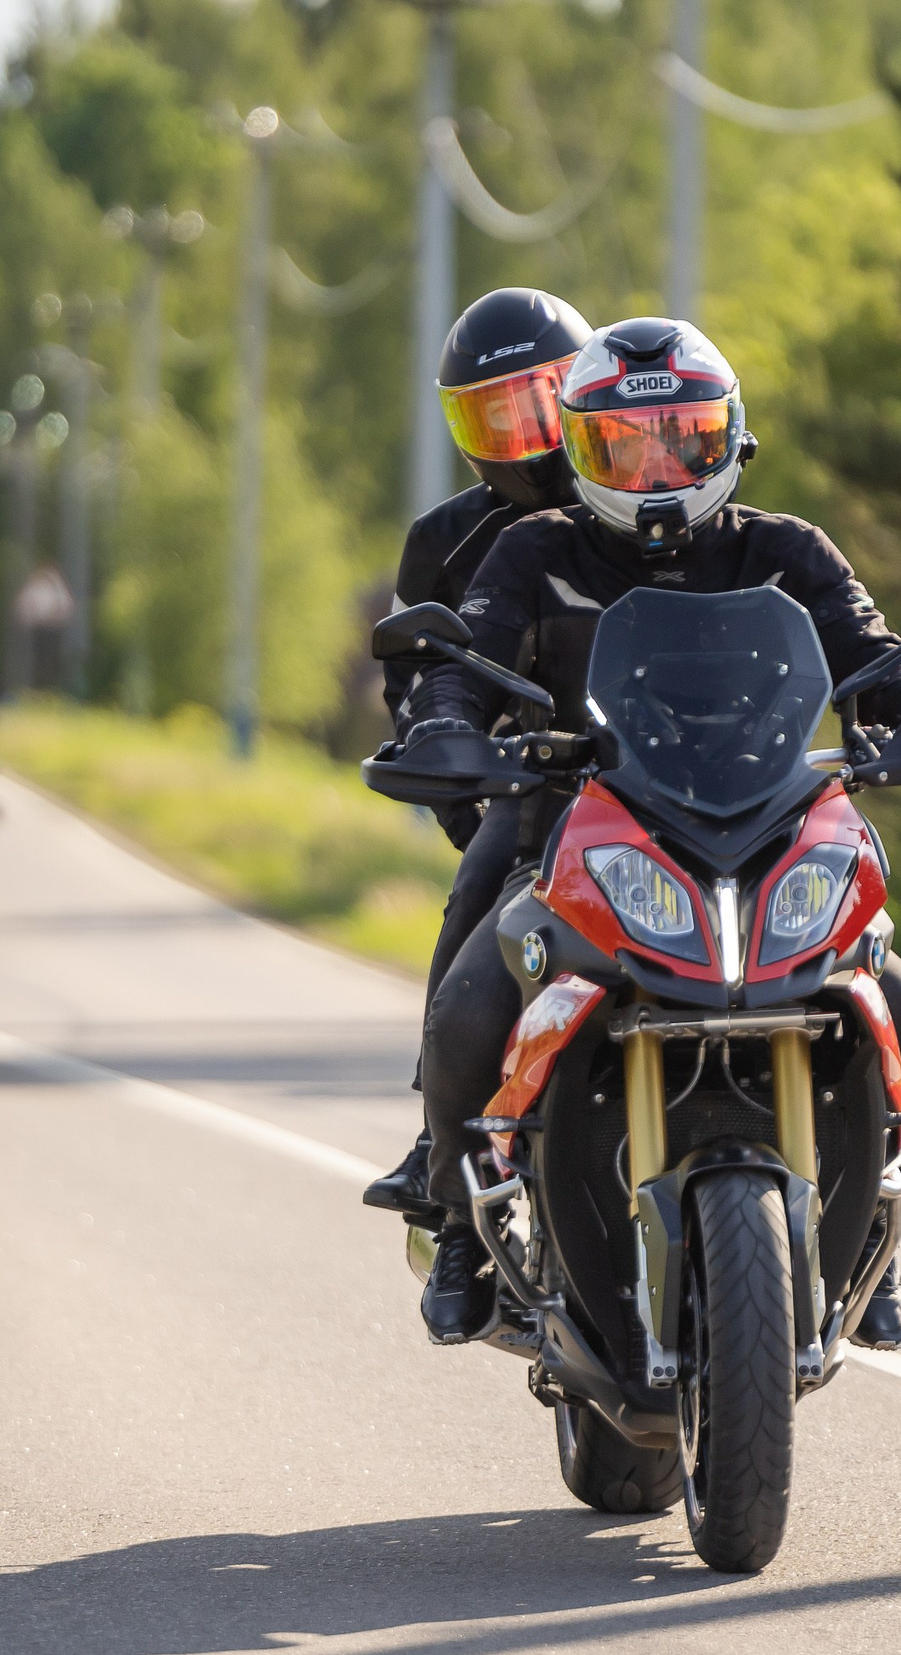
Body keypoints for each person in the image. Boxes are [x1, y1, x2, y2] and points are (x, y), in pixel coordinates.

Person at [403, 317, 901, 1350]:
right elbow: (462, 657)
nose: (655, 466)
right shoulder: (532, 548)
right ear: (582, 451)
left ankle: (870, 1234)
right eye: (624, 444)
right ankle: (457, 1218)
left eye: (682, 436)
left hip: (765, 819)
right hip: (574, 817)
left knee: (896, 1000)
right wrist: (446, 725)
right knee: (468, 1004)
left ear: (729, 439)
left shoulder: (786, 547)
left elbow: (874, 647)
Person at [359, 287, 596, 1223]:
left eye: (544, 400)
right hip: (533, 792)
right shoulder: (444, 542)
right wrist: (480, 796)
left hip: (676, 783)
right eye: (496, 416)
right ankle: (446, 1166)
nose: (527, 434)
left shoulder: (644, 500)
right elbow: (417, 694)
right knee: (474, 922)